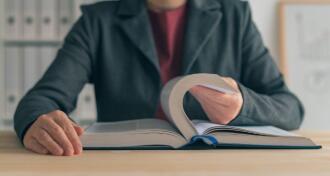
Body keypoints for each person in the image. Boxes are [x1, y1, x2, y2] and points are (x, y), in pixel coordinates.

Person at [14, 0, 304, 156]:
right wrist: (36, 122)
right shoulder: (98, 20)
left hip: (215, 167)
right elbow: (41, 99)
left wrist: (242, 105)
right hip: (124, 167)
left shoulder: (234, 14)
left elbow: (290, 108)